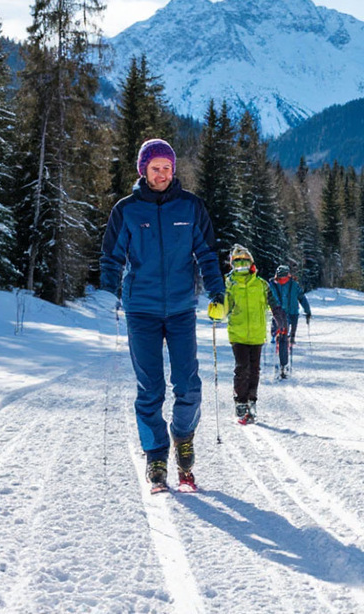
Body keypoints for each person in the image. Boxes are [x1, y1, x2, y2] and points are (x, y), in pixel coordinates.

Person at [99, 138, 225, 493]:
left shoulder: (191, 206)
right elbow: (112, 257)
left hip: (182, 308)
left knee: (189, 386)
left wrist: (217, 291)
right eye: (155, 168)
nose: (162, 174)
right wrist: (107, 292)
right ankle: (156, 455)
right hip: (141, 309)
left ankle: (183, 436)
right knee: (150, 388)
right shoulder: (127, 210)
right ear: (144, 170)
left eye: (167, 168)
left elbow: (207, 253)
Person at [223, 244, 286, 424]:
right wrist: (217, 310)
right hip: (238, 333)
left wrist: (280, 319)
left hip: (257, 334)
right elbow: (224, 308)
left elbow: (273, 303)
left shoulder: (261, 284)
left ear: (251, 263)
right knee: (242, 368)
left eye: (244, 262)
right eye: (237, 263)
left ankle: (252, 400)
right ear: (232, 265)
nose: (241, 266)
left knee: (254, 370)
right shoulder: (230, 285)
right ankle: (240, 401)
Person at [269, 264, 311, 379]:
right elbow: (302, 298)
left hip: (285, 315)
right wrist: (307, 311)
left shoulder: (275, 285)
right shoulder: (291, 285)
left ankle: (282, 360)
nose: (283, 280)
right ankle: (283, 362)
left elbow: (302, 298)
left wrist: (307, 311)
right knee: (284, 338)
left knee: (284, 338)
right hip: (285, 315)